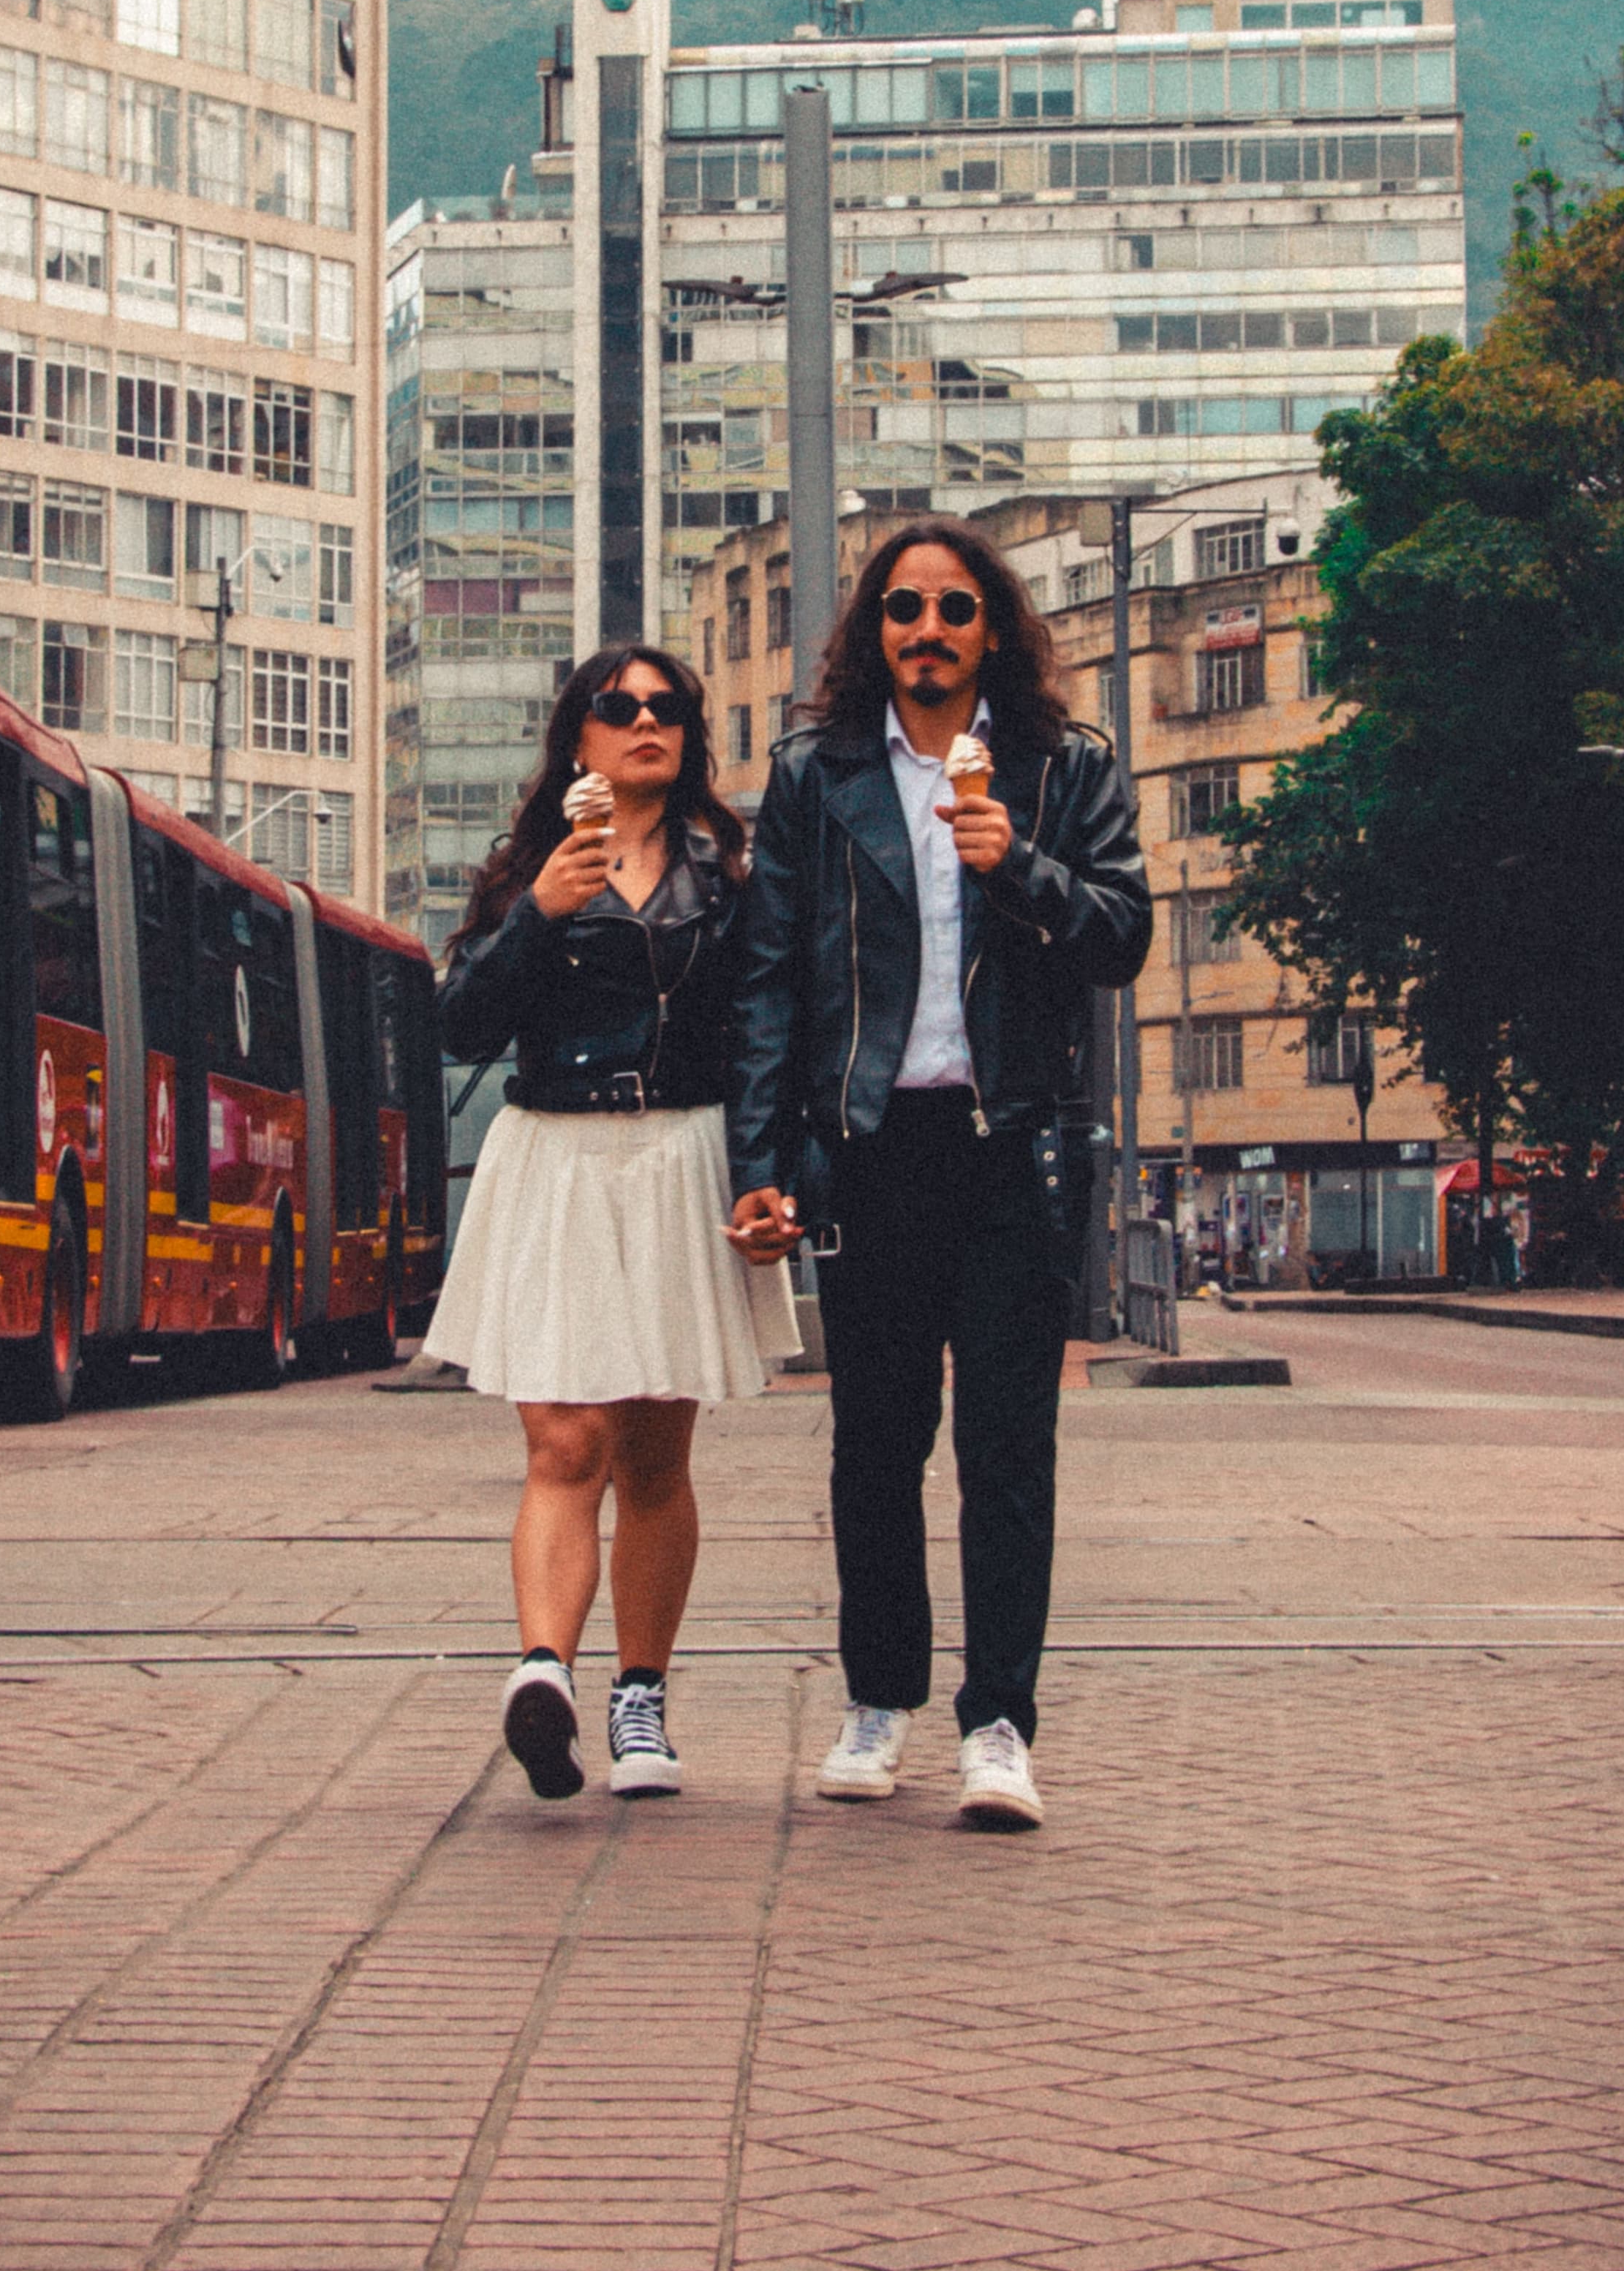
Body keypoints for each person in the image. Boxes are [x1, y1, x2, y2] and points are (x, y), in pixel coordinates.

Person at [727, 524, 1151, 1829]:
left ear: (992, 628)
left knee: (1010, 1450)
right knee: (875, 1446)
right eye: (904, 608)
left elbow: (1124, 935)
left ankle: (1000, 1726)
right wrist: (762, 1165)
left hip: (1012, 1147)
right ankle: (877, 1702)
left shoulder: (1065, 769)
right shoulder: (818, 776)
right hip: (871, 1150)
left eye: (955, 609)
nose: (929, 630)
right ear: (875, 630)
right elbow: (771, 978)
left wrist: (1014, 862)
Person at [428, 644, 795, 1804]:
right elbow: (460, 1023)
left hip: (679, 1155)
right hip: (559, 1159)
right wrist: (538, 911)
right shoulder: (529, 871)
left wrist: (765, 1178)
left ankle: (643, 1695)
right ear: (577, 739)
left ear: (687, 737)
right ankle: (547, 1673)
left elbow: (759, 1044)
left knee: (653, 1457)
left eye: (668, 709)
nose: (647, 722)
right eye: (619, 707)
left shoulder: (729, 877)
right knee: (564, 1443)